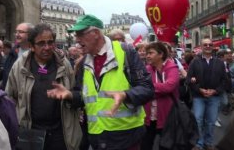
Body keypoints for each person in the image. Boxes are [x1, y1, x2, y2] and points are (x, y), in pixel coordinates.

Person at [47, 14, 154, 150]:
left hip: (126, 137)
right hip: (96, 137)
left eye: (80, 34)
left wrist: (125, 95)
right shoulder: (83, 63)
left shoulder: (126, 52)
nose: (77, 39)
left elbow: (147, 89)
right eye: (75, 35)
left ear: (96, 33)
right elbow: (85, 96)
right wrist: (70, 95)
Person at [5, 23, 82, 150]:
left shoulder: (64, 65)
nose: (47, 47)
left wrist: (69, 95)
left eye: (50, 42)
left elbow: (78, 95)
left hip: (60, 134)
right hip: (31, 133)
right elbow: (9, 98)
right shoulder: (20, 66)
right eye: (41, 43)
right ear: (32, 46)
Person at [186, 38, 227, 150]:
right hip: (199, 96)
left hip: (214, 97)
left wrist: (215, 91)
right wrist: (199, 90)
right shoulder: (195, 61)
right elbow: (188, 79)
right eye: (205, 44)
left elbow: (224, 80)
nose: (208, 46)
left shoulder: (220, 62)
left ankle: (208, 143)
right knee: (198, 120)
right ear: (201, 46)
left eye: (210, 44)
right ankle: (199, 143)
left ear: (212, 46)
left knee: (211, 121)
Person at [141, 42, 180, 150]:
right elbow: (141, 86)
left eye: (151, 53)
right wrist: (158, 88)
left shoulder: (171, 67)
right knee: (145, 145)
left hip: (166, 115)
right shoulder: (147, 69)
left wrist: (149, 88)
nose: (147, 55)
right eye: (147, 53)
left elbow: (169, 86)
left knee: (166, 145)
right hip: (149, 116)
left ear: (161, 54)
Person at [2, 22, 34, 89]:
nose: (17, 34)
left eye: (21, 32)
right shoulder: (12, 53)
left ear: (30, 34)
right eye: (16, 32)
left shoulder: (36, 53)